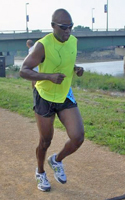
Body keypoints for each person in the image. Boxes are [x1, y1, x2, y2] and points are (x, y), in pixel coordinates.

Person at [20, 8, 84, 192]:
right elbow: (23, 70)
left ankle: (56, 160)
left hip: (64, 95)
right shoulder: (42, 45)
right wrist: (48, 77)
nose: (68, 31)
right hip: (45, 97)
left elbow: (67, 60)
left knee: (78, 137)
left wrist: (76, 68)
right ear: (53, 26)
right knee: (45, 141)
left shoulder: (73, 41)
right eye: (64, 27)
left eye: (71, 27)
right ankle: (40, 172)